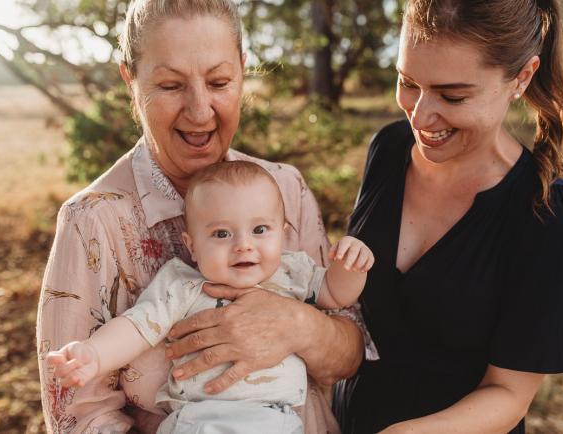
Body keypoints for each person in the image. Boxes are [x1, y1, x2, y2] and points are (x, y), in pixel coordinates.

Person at [36, 1, 375, 433]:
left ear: (243, 71)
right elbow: (79, 418)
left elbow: (351, 349)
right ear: (130, 80)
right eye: (172, 85)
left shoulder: (286, 186)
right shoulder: (92, 222)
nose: (200, 111)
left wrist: (298, 325)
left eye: (219, 82)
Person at [333, 0, 563, 433]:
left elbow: (508, 395)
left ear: (521, 77)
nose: (420, 116)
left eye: (453, 95)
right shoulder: (388, 149)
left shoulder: (546, 213)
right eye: (407, 82)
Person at [45, 161, 374, 434]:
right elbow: (135, 327)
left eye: (260, 230)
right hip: (198, 422)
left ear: (282, 232)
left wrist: (352, 265)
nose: (243, 245)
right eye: (221, 234)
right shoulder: (181, 284)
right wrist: (94, 354)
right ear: (192, 246)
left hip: (278, 422)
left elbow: (335, 294)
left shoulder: (292, 272)